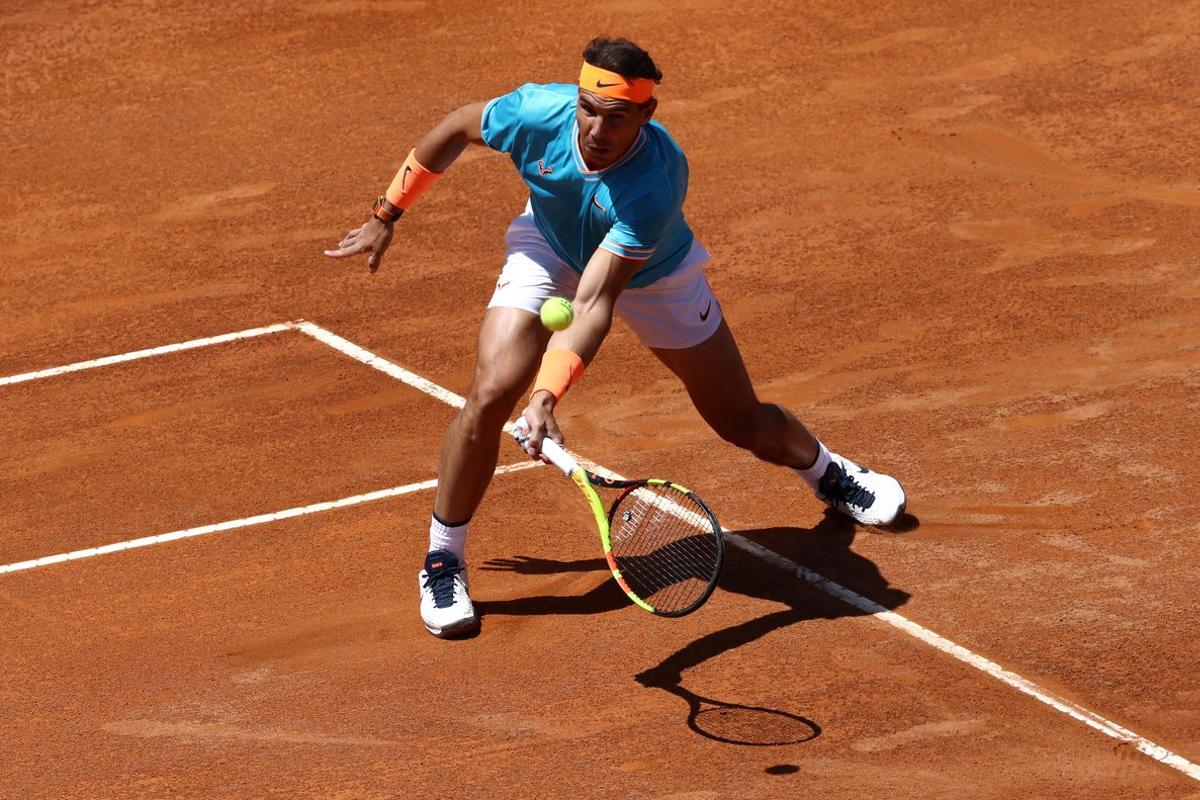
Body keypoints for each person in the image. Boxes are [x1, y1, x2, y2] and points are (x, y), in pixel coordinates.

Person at [325, 37, 905, 639]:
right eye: (588, 109)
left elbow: (594, 301)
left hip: (654, 277)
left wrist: (546, 394)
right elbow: (454, 129)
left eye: (618, 117)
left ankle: (826, 471)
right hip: (548, 247)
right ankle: (443, 560)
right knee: (491, 394)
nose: (597, 129)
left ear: (647, 114)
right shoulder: (534, 112)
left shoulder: (655, 180)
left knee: (742, 421)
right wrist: (386, 213)